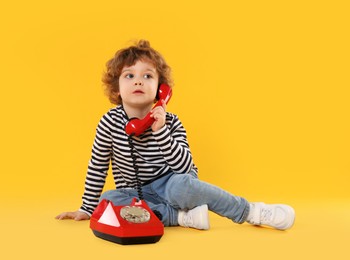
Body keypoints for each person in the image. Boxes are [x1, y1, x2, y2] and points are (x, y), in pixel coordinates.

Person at [55, 40, 295, 231]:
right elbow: (97, 166)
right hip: (135, 192)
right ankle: (180, 217)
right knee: (107, 201)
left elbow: (185, 166)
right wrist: (87, 208)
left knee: (182, 186)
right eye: (129, 75)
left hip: (172, 183)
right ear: (116, 88)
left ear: (161, 89)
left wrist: (160, 132)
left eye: (147, 76)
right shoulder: (108, 122)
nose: (138, 80)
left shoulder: (171, 121)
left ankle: (249, 211)